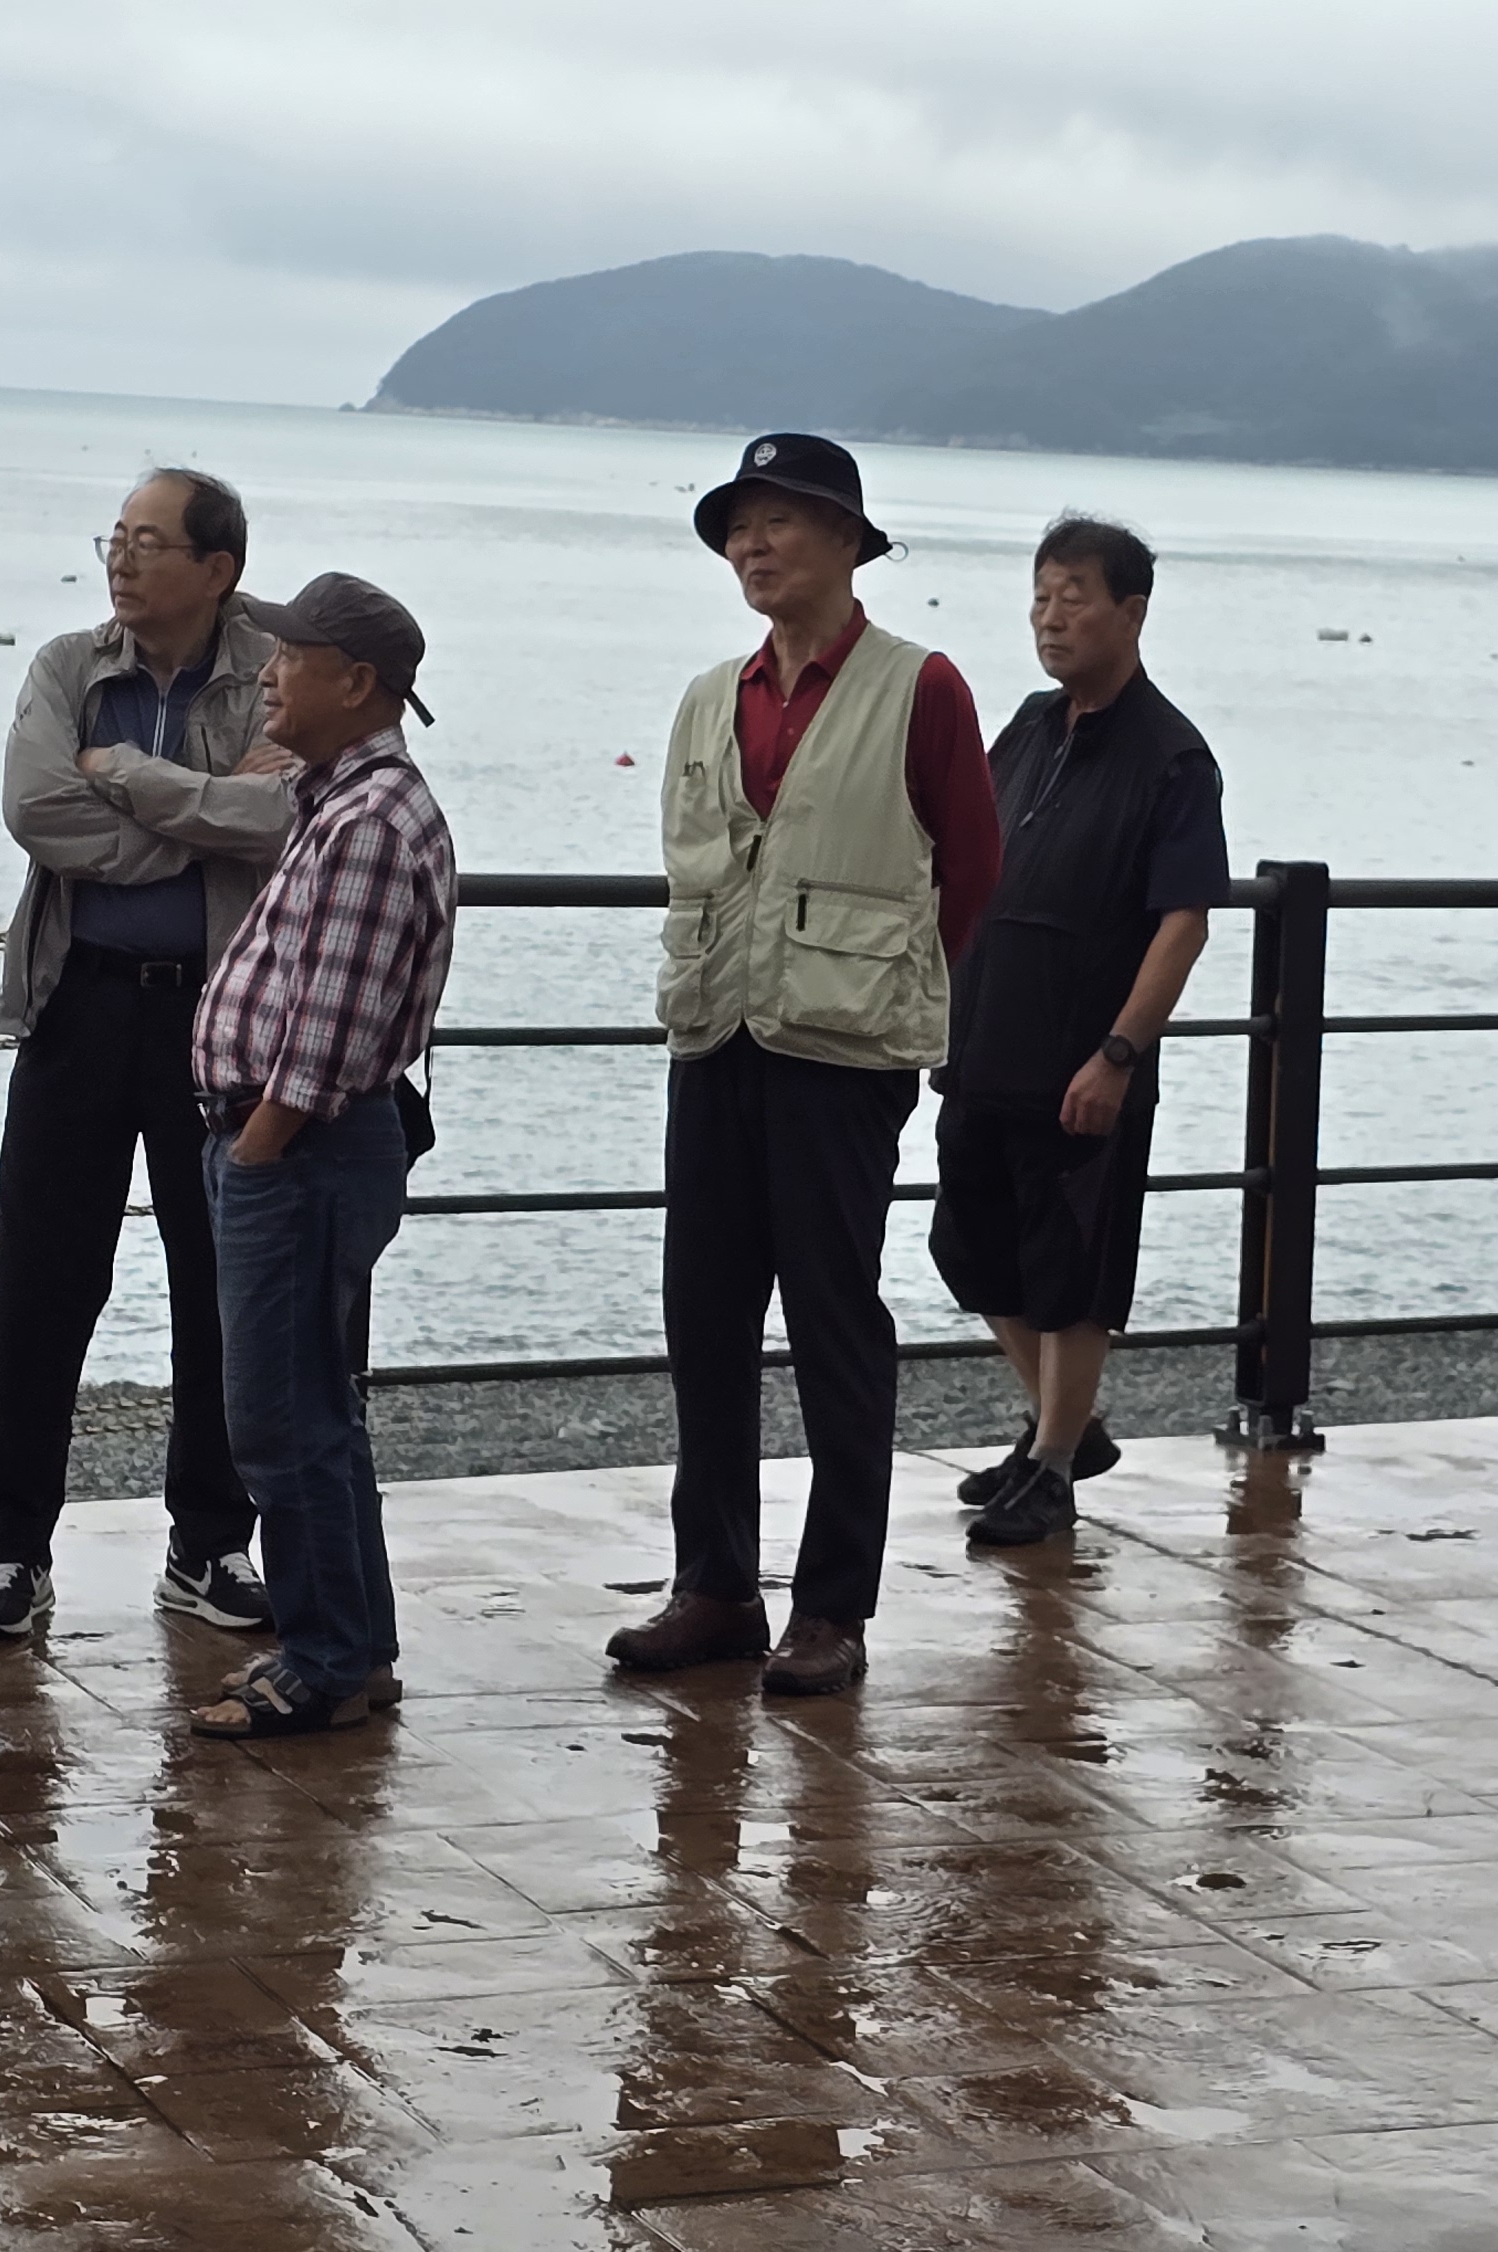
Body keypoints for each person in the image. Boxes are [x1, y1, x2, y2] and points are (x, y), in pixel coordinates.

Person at [608, 433, 1001, 1697]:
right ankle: (715, 1584)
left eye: (777, 520)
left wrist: (884, 982)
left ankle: (833, 1606)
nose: (751, 544)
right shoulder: (707, 695)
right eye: (738, 526)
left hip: (842, 1052)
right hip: (714, 1031)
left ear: (847, 540)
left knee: (835, 1320)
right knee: (703, 1314)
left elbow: (971, 867)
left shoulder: (921, 685)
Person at [0, 469, 303, 1645]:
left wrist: (134, 783)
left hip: (221, 1013)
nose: (120, 557)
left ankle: (210, 1541)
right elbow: (37, 810)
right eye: (115, 537)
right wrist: (196, 822)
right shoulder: (69, 665)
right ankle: (11, 1548)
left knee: (221, 1283)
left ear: (218, 569)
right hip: (80, 1001)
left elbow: (283, 817)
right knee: (40, 1282)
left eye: (149, 541)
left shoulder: (274, 669)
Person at [181, 574, 456, 1739]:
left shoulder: (368, 823)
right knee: (312, 1412)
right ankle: (350, 1648)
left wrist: (257, 1150)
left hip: (299, 1148)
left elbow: (327, 1031)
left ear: (356, 682)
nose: (267, 672)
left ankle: (327, 1660)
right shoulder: (343, 797)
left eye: (291, 656)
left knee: (282, 1419)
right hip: (299, 1146)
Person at [929, 515, 1227, 1549]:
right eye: (1040, 595)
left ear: (1130, 612)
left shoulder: (1172, 757)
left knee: (1071, 1271)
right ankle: (1068, 1427)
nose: (1051, 617)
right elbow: (954, 850)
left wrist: (1118, 1053)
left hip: (1082, 1062)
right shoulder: (1026, 725)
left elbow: (1184, 921)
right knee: (966, 1246)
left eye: (1074, 597)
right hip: (981, 1041)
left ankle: (1052, 1465)